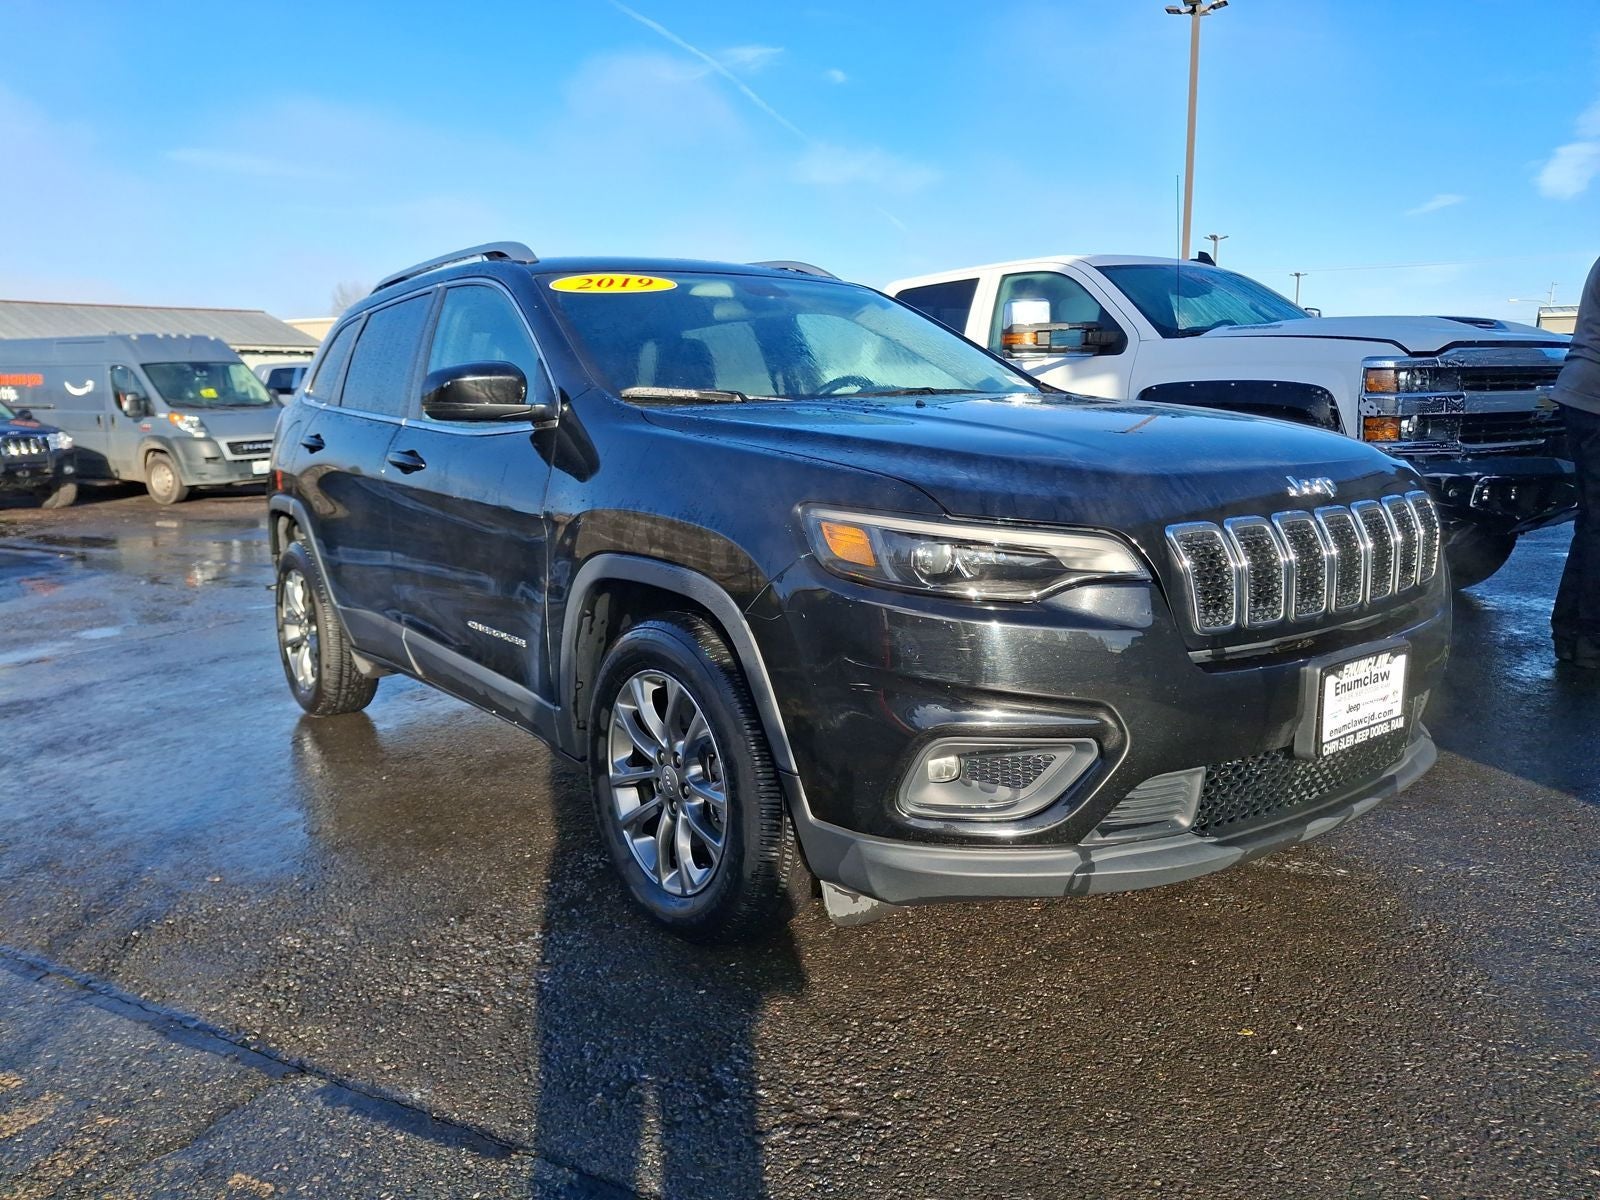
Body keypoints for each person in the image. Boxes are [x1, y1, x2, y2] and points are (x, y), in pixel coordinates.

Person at [1553, 254, 1600, 669]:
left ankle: (1572, 633)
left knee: (1593, 523)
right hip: (1594, 401)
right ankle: (1588, 637)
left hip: (1583, 397)